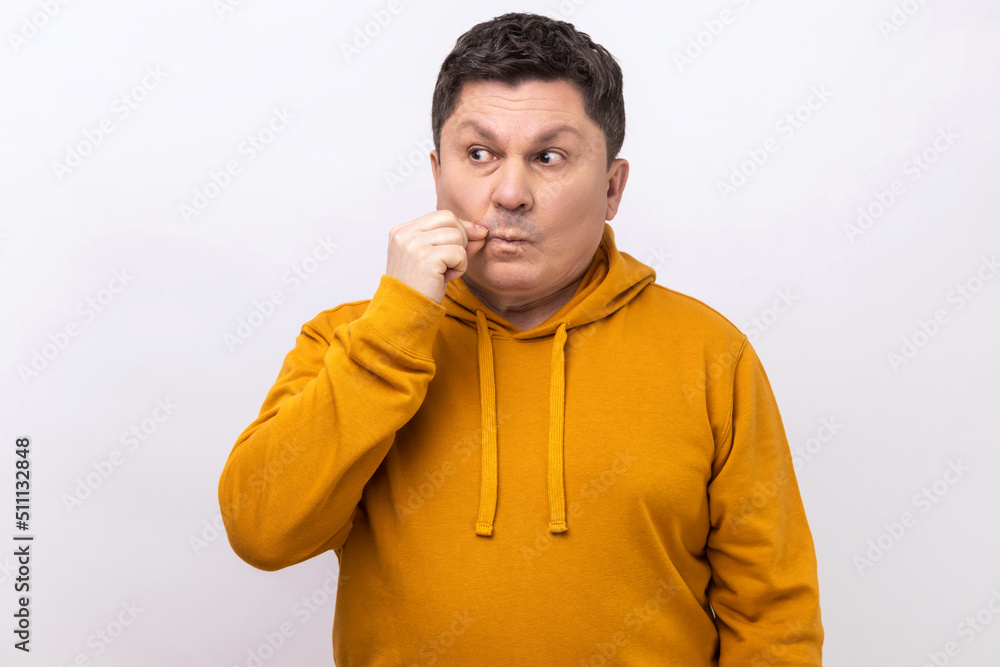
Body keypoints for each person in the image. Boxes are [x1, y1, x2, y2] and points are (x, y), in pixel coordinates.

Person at [218, 11, 824, 665]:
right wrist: (395, 328)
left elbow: (774, 621)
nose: (509, 193)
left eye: (548, 157)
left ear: (613, 187)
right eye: (479, 154)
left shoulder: (711, 355)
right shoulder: (351, 339)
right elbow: (262, 532)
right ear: (437, 174)